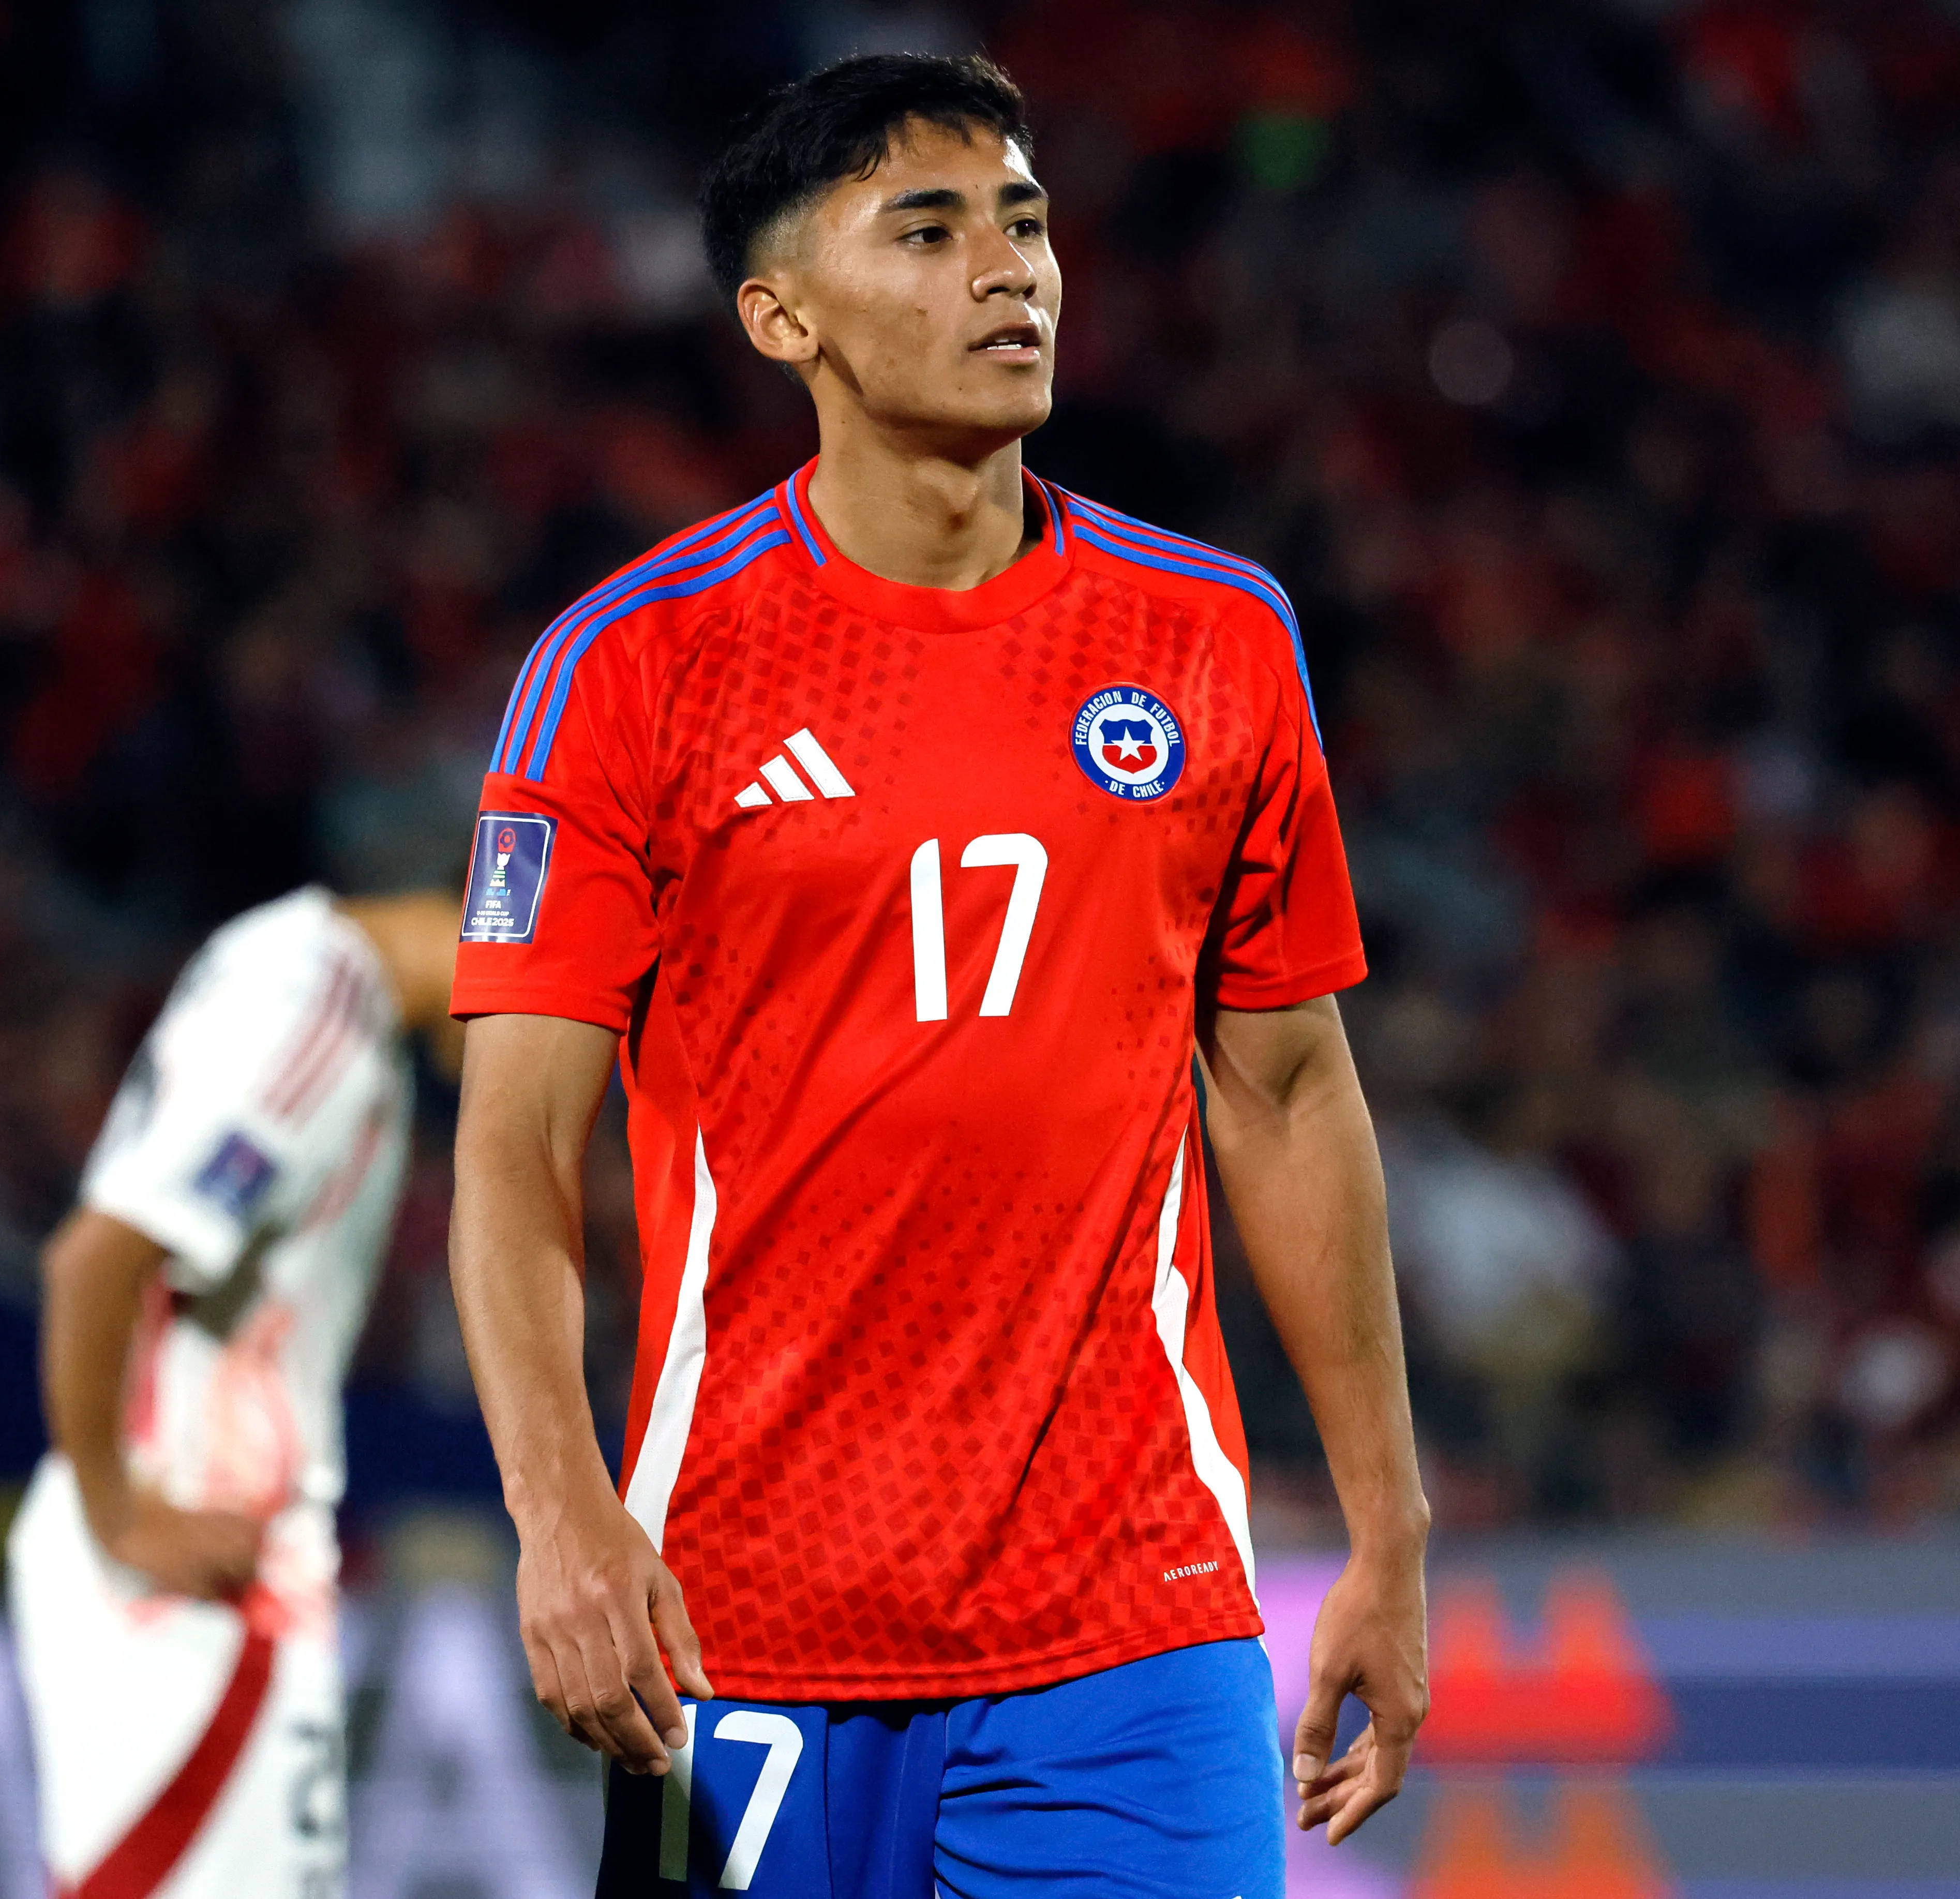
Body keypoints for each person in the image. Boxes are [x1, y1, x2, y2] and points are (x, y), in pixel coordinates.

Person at [446, 51, 1427, 1897]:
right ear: (779, 318)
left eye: (1027, 220)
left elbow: (1289, 1089)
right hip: (738, 1622)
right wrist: (560, 1511)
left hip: (1132, 1621)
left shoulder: (1216, 640)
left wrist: (1387, 1522)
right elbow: (509, 1153)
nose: (1011, 270)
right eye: (931, 228)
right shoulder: (636, 669)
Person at [9, 884, 460, 1899]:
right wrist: (117, 1510)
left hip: (200, 1555)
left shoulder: (291, 956)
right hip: (197, 1556)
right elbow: (96, 1256)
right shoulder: (320, 1014)